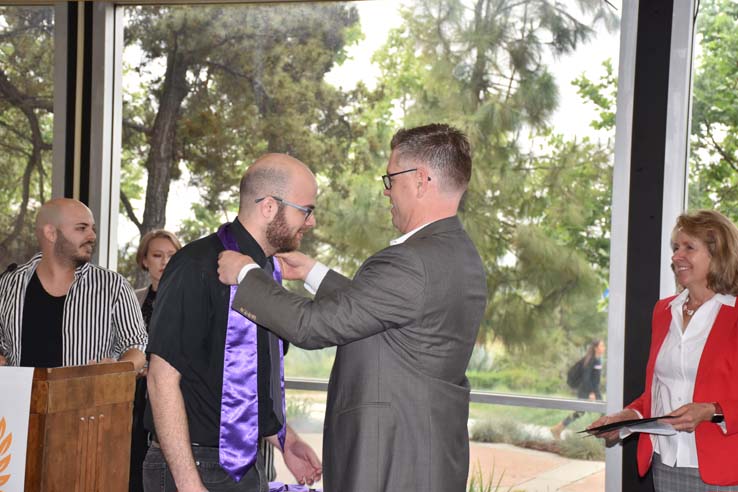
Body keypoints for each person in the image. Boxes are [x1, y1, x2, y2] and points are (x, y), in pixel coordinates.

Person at [218, 123, 488, 492]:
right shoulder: (456, 254)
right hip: (425, 455)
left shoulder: (411, 261)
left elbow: (312, 327)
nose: (386, 191)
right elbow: (389, 318)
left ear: (421, 180)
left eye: (391, 178)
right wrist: (314, 273)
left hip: (392, 461)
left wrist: (246, 275)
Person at [143, 153, 322, 492]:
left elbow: (248, 383)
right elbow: (161, 379)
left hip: (246, 465)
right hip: (193, 465)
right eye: (306, 210)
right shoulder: (194, 265)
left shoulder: (266, 274)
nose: (310, 222)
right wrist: (188, 484)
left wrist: (286, 441)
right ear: (269, 206)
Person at [589, 210, 738, 490]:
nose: (676, 256)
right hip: (665, 461)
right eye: (675, 248)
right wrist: (628, 417)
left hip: (725, 469)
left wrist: (713, 411)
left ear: (717, 254)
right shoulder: (663, 311)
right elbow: (659, 390)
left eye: (688, 248)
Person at [0, 198, 147, 371]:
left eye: (93, 229)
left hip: (89, 397)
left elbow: (136, 345)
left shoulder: (114, 286)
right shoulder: (8, 284)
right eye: (82, 228)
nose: (92, 236)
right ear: (51, 233)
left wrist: (118, 368)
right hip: (20, 397)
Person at [130, 230, 182, 492]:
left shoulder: (188, 299)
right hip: (134, 395)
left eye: (171, 256)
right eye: (157, 255)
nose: (164, 262)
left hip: (171, 393)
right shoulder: (132, 298)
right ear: (144, 260)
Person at [550, 339, 605, 439]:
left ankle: (558, 428)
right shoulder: (591, 360)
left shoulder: (597, 359)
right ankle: (557, 428)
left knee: (601, 411)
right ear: (596, 348)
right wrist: (591, 393)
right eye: (602, 346)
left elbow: (594, 379)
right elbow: (586, 378)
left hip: (593, 390)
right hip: (586, 390)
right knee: (582, 412)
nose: (604, 348)